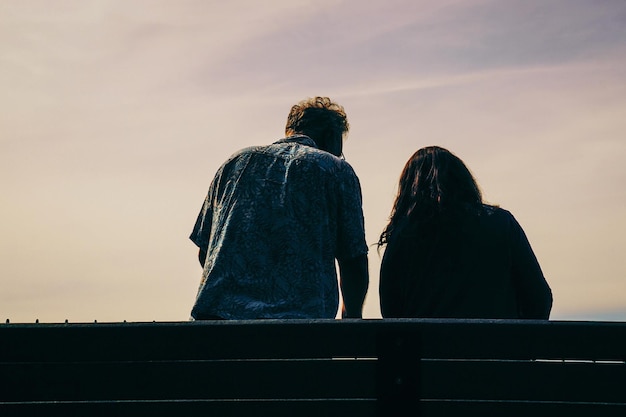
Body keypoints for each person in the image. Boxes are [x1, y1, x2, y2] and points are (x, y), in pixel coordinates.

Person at [190, 97, 369, 320]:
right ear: (332, 137)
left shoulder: (235, 162)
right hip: (299, 327)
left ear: (290, 131)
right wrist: (351, 316)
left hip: (218, 322)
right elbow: (354, 260)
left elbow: (205, 251)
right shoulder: (335, 170)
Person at [377, 146, 552, 319]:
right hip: (497, 345)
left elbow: (391, 311)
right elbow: (539, 298)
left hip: (429, 346)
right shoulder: (502, 223)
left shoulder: (403, 236)